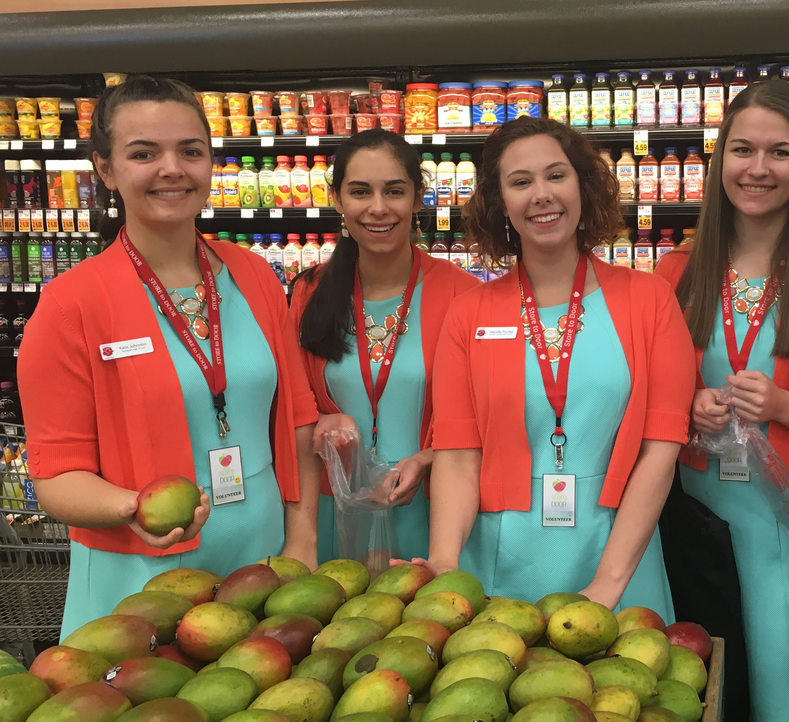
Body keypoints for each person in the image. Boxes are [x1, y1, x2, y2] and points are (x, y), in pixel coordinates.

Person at [17, 76, 321, 637]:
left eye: (190, 150)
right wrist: (132, 508)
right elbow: (57, 476)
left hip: (263, 562)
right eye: (143, 153)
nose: (171, 168)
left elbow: (298, 420)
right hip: (141, 574)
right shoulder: (72, 304)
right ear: (105, 170)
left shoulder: (252, 275)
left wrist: (301, 539)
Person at [416, 117, 694, 621]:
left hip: (616, 556)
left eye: (556, 176)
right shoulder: (469, 314)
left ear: (584, 187)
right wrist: (443, 562)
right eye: (520, 182)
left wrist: (607, 584)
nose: (541, 194)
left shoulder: (648, 299)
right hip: (497, 567)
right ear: (499, 203)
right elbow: (457, 455)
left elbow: (660, 450)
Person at [654, 80, 789, 722]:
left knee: (785, 691)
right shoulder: (672, 274)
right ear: (718, 159)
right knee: (716, 693)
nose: (758, 169)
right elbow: (643, 400)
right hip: (703, 518)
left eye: (780, 152)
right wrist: (683, 406)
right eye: (743, 149)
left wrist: (786, 406)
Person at [289, 129, 478, 563]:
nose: (378, 208)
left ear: (417, 198)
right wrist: (321, 418)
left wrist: (430, 457)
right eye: (360, 192)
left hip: (440, 514)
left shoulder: (464, 296)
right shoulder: (308, 294)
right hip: (339, 516)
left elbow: (488, 416)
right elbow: (290, 404)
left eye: (394, 191)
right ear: (337, 199)